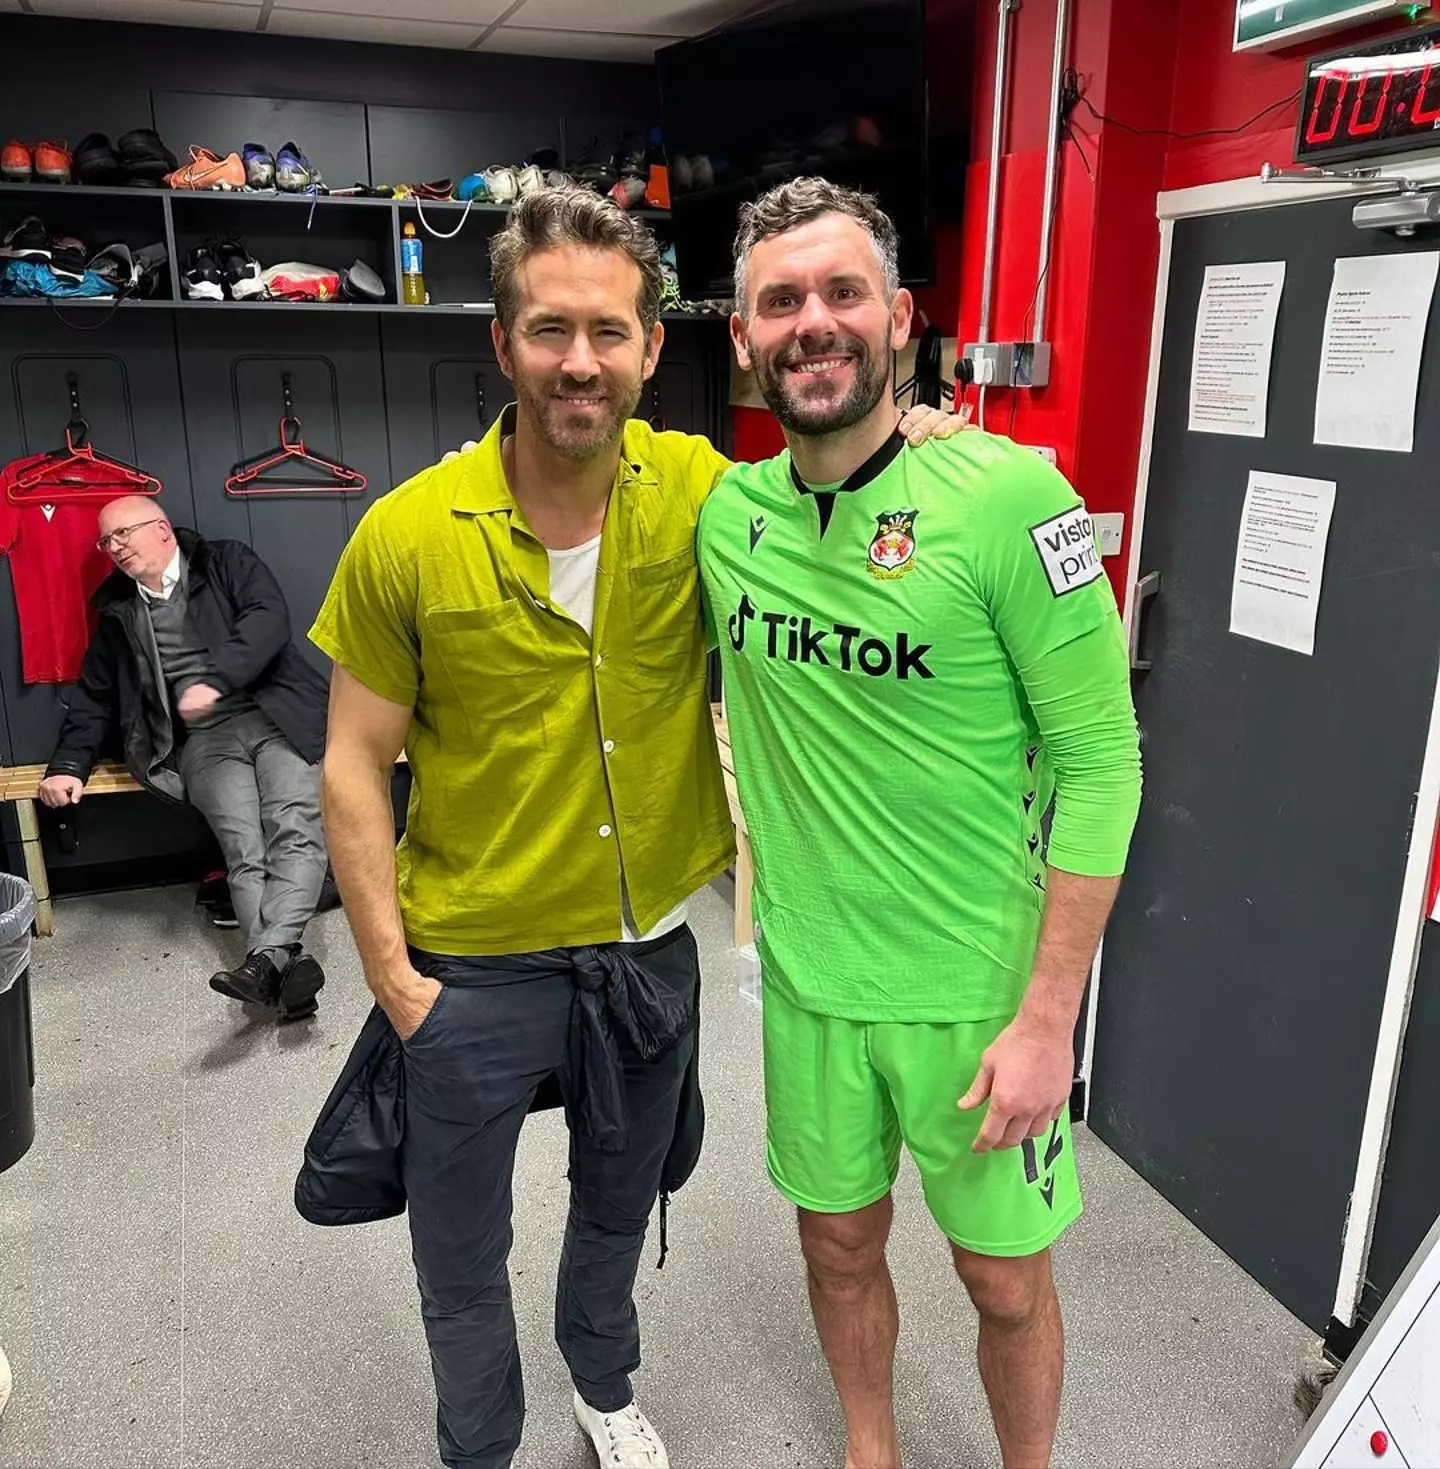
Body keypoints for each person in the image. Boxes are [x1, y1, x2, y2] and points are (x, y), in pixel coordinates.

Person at [309, 187, 963, 1469]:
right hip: (470, 963)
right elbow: (351, 764)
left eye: (610, 332)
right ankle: (480, 1447)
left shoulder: (706, 495)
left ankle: (603, 1386)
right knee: (458, 1245)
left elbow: (838, 482)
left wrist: (917, 431)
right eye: (549, 329)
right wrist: (393, 981)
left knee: (619, 1205)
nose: (580, 361)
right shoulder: (405, 534)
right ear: (502, 344)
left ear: (655, 348)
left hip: (646, 944)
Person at [697, 177, 1143, 1469]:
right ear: (742, 337)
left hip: (982, 994)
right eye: (780, 301)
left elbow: (1104, 763)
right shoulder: (725, 516)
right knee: (837, 1249)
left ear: (899, 318)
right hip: (813, 984)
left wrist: (1052, 1016)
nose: (812, 322)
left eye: (843, 294)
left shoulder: (1016, 502)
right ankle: (871, 1448)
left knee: (1003, 1280)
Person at [38, 498, 331, 1021]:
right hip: (202, 742)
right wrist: (67, 764)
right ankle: (284, 967)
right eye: (106, 541)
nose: (114, 548)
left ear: (162, 530)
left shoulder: (226, 563)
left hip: (278, 719)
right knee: (244, 846)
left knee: (296, 826)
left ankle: (268, 963)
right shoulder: (118, 612)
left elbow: (270, 619)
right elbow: (94, 697)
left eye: (122, 533)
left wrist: (214, 680)